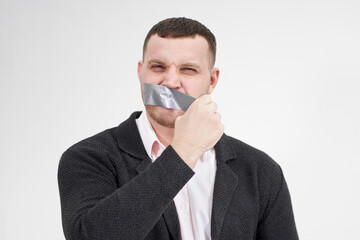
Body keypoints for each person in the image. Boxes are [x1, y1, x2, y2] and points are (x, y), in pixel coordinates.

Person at [58, 17, 298, 240]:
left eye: (188, 70)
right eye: (158, 67)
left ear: (212, 80)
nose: (170, 83)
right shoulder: (88, 158)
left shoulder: (259, 170)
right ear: (141, 72)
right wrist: (184, 151)